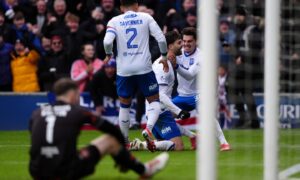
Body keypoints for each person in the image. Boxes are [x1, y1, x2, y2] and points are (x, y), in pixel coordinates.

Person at [29, 78, 169, 179]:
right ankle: (144, 170)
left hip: (36, 171)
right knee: (110, 140)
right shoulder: (78, 111)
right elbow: (112, 130)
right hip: (65, 171)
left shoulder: (37, 113)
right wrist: (123, 157)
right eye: (77, 95)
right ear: (72, 94)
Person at [103, 0, 169, 149]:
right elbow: (161, 38)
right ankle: (148, 128)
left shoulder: (114, 20)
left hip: (123, 70)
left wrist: (109, 53)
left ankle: (125, 141)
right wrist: (164, 57)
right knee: (154, 101)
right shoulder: (146, 18)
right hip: (144, 68)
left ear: (121, 8)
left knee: (124, 106)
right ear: (136, 5)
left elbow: (107, 41)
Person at [130, 31, 197, 151]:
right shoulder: (162, 66)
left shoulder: (169, 62)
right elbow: (160, 94)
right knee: (178, 147)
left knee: (163, 144)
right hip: (160, 111)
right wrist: (179, 111)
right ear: (170, 46)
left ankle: (192, 136)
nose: (182, 45)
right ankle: (140, 145)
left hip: (157, 110)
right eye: (179, 42)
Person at [172, 27, 231, 151]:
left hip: (198, 94)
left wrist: (175, 65)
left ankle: (224, 143)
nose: (186, 44)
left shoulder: (202, 56)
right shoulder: (177, 52)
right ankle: (192, 136)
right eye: (184, 41)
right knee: (162, 114)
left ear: (196, 41)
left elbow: (189, 75)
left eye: (190, 41)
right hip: (182, 95)